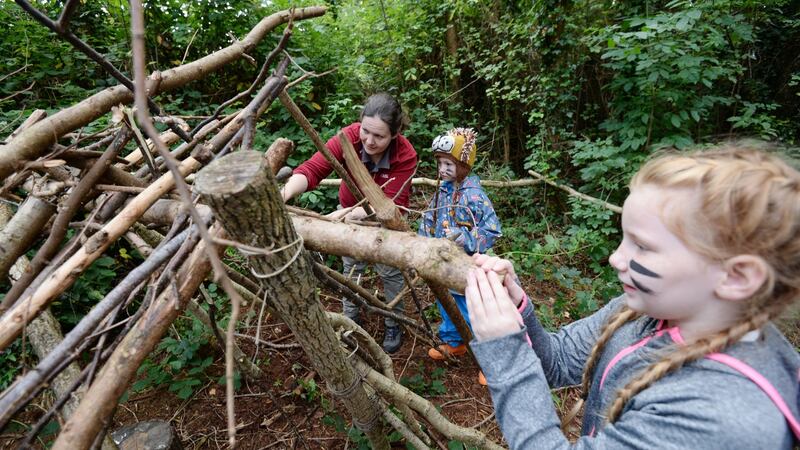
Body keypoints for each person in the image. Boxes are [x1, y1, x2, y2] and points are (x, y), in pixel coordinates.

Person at [465, 145, 800, 448]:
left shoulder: (723, 417)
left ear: (737, 276)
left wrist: (506, 352)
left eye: (643, 246)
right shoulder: (644, 310)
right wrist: (517, 308)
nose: (616, 258)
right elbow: (559, 361)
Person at [281, 93, 417, 353]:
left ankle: (393, 321)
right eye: (366, 131)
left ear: (395, 134)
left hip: (386, 224)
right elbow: (313, 169)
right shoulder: (349, 138)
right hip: (348, 215)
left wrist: (341, 216)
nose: (369, 141)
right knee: (352, 269)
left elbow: (392, 207)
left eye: (379, 136)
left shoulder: (405, 155)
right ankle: (350, 321)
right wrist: (283, 194)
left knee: (390, 273)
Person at [418, 127, 501, 385]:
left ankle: (489, 358)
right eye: (440, 163)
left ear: (463, 165)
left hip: (467, 265)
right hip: (443, 263)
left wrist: (465, 238)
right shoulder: (442, 191)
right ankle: (454, 342)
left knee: (473, 310)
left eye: (448, 164)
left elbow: (492, 230)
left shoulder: (474, 195)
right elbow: (430, 218)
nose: (442, 169)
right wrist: (424, 240)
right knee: (446, 303)